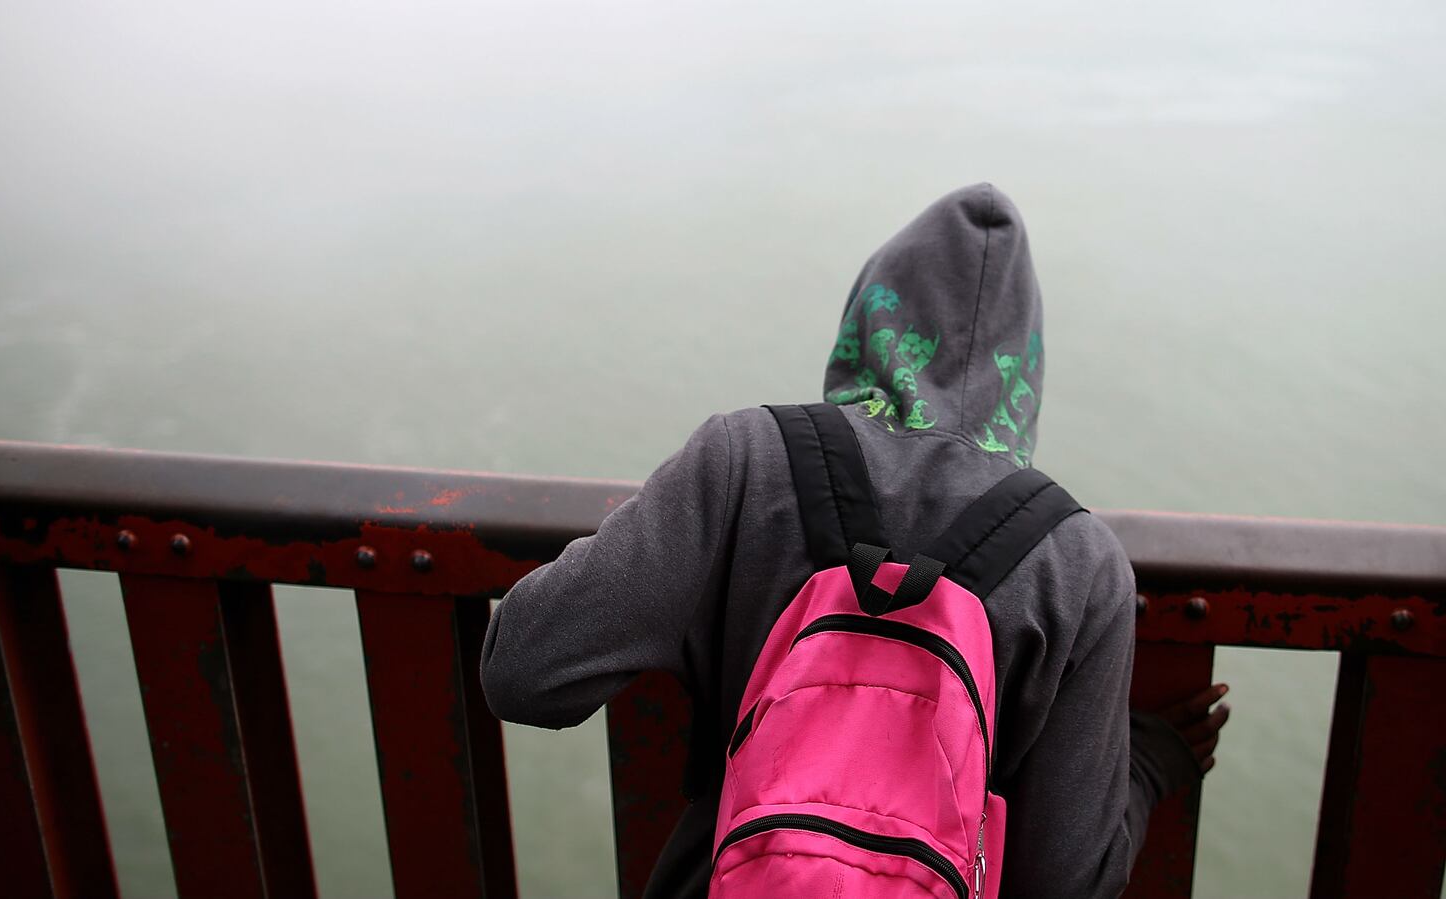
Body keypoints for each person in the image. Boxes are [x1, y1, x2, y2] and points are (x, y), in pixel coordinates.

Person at [480, 183, 1229, 899]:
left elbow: (525, 668)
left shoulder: (744, 460)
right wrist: (1151, 765)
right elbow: (1066, 880)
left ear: (867, 322)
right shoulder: (1077, 562)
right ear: (1023, 369)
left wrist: (701, 578)